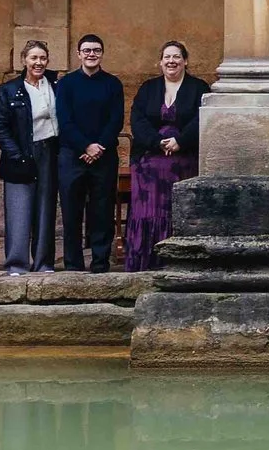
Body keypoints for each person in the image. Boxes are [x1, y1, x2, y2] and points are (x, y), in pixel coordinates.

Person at [125, 41, 209, 273]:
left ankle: (180, 262)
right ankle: (147, 263)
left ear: (185, 61)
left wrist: (180, 141)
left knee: (177, 211)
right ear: (160, 62)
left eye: (176, 57)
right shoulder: (148, 88)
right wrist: (156, 142)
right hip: (149, 164)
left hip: (184, 162)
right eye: (167, 57)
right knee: (148, 213)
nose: (171, 61)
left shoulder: (198, 87)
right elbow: (138, 119)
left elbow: (203, 118)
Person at [55, 35, 124, 272]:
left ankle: (100, 262)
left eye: (96, 50)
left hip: (104, 157)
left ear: (102, 53)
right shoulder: (66, 84)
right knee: (71, 212)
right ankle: (73, 264)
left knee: (102, 212)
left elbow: (116, 120)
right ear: (78, 54)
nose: (91, 54)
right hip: (72, 156)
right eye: (87, 50)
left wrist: (98, 147)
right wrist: (85, 146)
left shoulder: (113, 84)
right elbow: (64, 120)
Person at [0, 41, 61, 275]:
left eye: (43, 58)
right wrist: (16, 154)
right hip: (19, 153)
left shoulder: (55, 85)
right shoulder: (10, 89)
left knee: (45, 208)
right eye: (33, 58)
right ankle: (16, 264)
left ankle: (43, 263)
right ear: (24, 60)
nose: (38, 63)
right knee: (19, 210)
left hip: (48, 151)